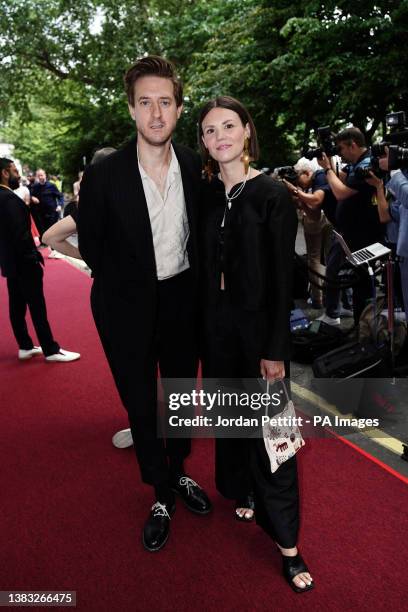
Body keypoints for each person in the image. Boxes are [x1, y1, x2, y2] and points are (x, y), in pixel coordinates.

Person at [77, 56, 211, 553]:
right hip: (125, 305)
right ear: (131, 109)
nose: (156, 113)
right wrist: (129, 287)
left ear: (178, 108)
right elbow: (91, 246)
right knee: (141, 402)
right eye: (145, 103)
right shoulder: (105, 174)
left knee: (178, 397)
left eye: (165, 102)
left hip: (180, 298)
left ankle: (177, 473)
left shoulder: (195, 167)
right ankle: (159, 492)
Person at [198, 96, 313, 592]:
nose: (219, 135)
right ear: (202, 142)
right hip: (216, 331)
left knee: (275, 436)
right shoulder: (204, 195)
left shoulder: (270, 194)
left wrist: (275, 349)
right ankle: (241, 487)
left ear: (246, 131)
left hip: (260, 332)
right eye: (208, 130)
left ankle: (289, 546)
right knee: (232, 419)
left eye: (228, 126)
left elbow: (283, 283)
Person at [0, 158, 80, 363]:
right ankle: (50, 349)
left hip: (10, 262)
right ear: (4, 173)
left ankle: (25, 345)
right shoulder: (8, 199)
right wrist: (34, 259)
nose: (18, 174)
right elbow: (21, 235)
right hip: (24, 263)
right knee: (37, 306)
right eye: (14, 170)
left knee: (17, 306)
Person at [318, 127, 384, 325]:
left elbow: (342, 193)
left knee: (360, 283)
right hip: (352, 233)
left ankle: (363, 327)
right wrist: (331, 164)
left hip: (363, 234)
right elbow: (347, 180)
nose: (340, 154)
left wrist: (328, 169)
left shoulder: (367, 163)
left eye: (341, 149)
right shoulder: (358, 163)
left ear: (352, 145)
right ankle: (359, 326)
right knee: (350, 278)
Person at [30, 168, 64, 239]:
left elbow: (60, 196)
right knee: (43, 230)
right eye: (38, 176)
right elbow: (30, 195)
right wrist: (32, 197)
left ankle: (54, 245)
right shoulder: (35, 187)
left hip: (52, 212)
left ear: (45, 175)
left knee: (53, 229)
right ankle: (45, 243)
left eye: (41, 175)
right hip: (41, 213)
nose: (40, 177)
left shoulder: (51, 185)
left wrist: (60, 205)